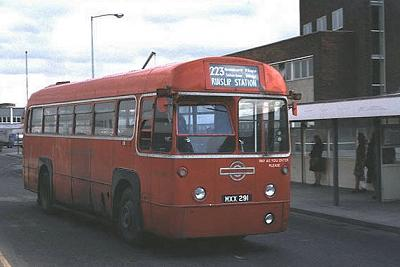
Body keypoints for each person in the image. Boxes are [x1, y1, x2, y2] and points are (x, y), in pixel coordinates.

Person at [366, 132, 378, 199]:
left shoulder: (371, 145)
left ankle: (376, 193)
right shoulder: (380, 143)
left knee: (374, 179)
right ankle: (377, 193)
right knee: (375, 178)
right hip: (374, 164)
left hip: (372, 164)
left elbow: (368, 155)